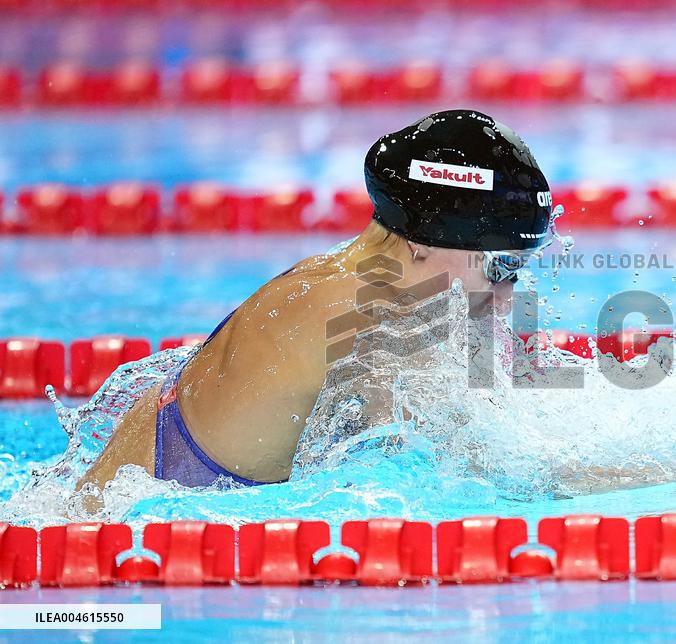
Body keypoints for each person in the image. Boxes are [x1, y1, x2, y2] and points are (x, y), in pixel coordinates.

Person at [78, 109, 555, 490]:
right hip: (132, 532)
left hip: (133, 497)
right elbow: (510, 475)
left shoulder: (347, 274)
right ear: (425, 239)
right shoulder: (372, 314)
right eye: (499, 268)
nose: (506, 297)